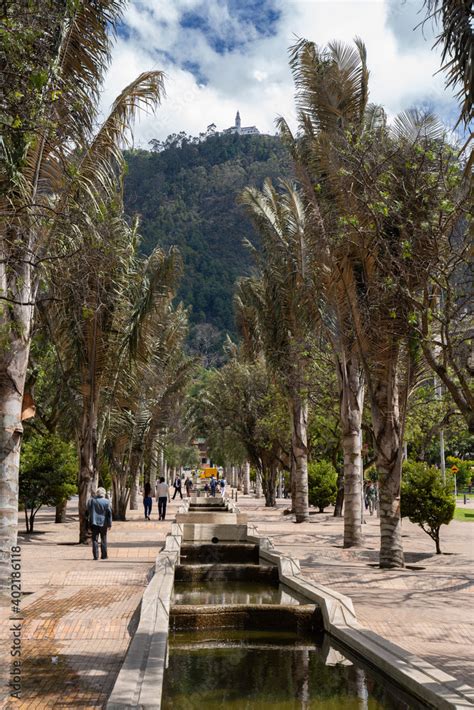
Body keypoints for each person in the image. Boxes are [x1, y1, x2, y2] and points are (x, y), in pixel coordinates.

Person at [87, 487, 112, 560]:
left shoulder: (91, 501)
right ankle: (104, 555)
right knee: (103, 539)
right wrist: (109, 524)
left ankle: (95, 556)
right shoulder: (107, 502)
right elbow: (109, 514)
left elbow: (88, 510)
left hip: (94, 523)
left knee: (94, 539)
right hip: (104, 523)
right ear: (103, 494)